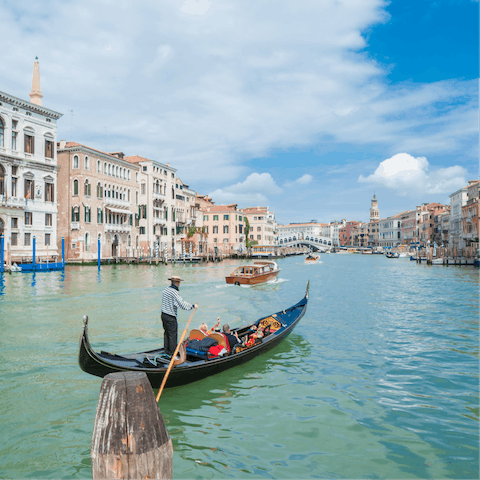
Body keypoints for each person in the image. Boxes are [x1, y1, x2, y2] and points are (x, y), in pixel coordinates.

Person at [161, 275, 198, 359]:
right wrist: (192, 306)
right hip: (170, 316)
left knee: (167, 333)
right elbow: (182, 304)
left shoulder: (165, 290)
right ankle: (173, 355)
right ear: (177, 283)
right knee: (173, 335)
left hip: (163, 315)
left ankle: (166, 351)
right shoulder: (174, 292)